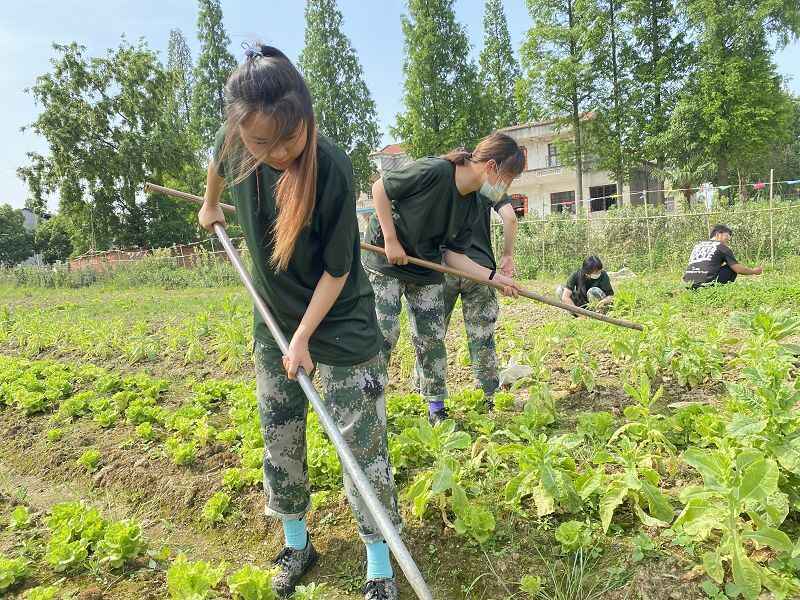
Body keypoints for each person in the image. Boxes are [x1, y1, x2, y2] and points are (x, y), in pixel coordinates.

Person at [198, 45, 402, 600]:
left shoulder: (332, 167)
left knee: (360, 446)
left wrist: (305, 337)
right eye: (263, 143)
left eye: (291, 137)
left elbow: (339, 270)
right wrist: (210, 205)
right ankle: (297, 542)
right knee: (280, 434)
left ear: (306, 118)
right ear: (242, 132)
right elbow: (215, 162)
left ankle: (380, 565)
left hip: (337, 324)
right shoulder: (238, 144)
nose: (281, 151)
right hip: (273, 322)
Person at [362, 134, 525, 424]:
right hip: (386, 259)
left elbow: (453, 257)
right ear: (491, 166)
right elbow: (380, 189)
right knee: (385, 332)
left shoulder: (473, 203)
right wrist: (390, 239)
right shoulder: (435, 171)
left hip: (424, 265)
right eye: (507, 178)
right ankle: (368, 406)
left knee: (431, 337)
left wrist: (495, 278)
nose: (505, 187)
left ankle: (436, 407)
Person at [413, 192, 518, 409]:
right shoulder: (488, 183)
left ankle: (422, 392)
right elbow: (510, 217)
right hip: (480, 271)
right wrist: (507, 254)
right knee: (482, 337)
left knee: (431, 333)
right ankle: (488, 396)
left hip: (442, 267)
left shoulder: (447, 177)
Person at [683, 224, 763, 289]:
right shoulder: (722, 247)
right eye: (726, 238)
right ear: (718, 234)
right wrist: (754, 271)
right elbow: (738, 269)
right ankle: (717, 290)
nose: (727, 241)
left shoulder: (698, 245)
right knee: (731, 269)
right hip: (705, 285)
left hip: (688, 284)